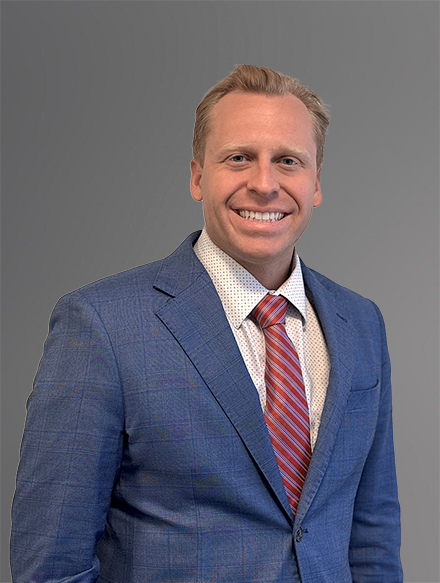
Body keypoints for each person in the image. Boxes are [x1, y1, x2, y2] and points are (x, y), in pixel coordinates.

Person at [11, 65, 402, 582]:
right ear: (198, 176)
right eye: (239, 158)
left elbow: (372, 532)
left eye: (288, 161)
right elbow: (51, 563)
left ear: (316, 183)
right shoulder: (102, 325)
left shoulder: (361, 324)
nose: (265, 184)